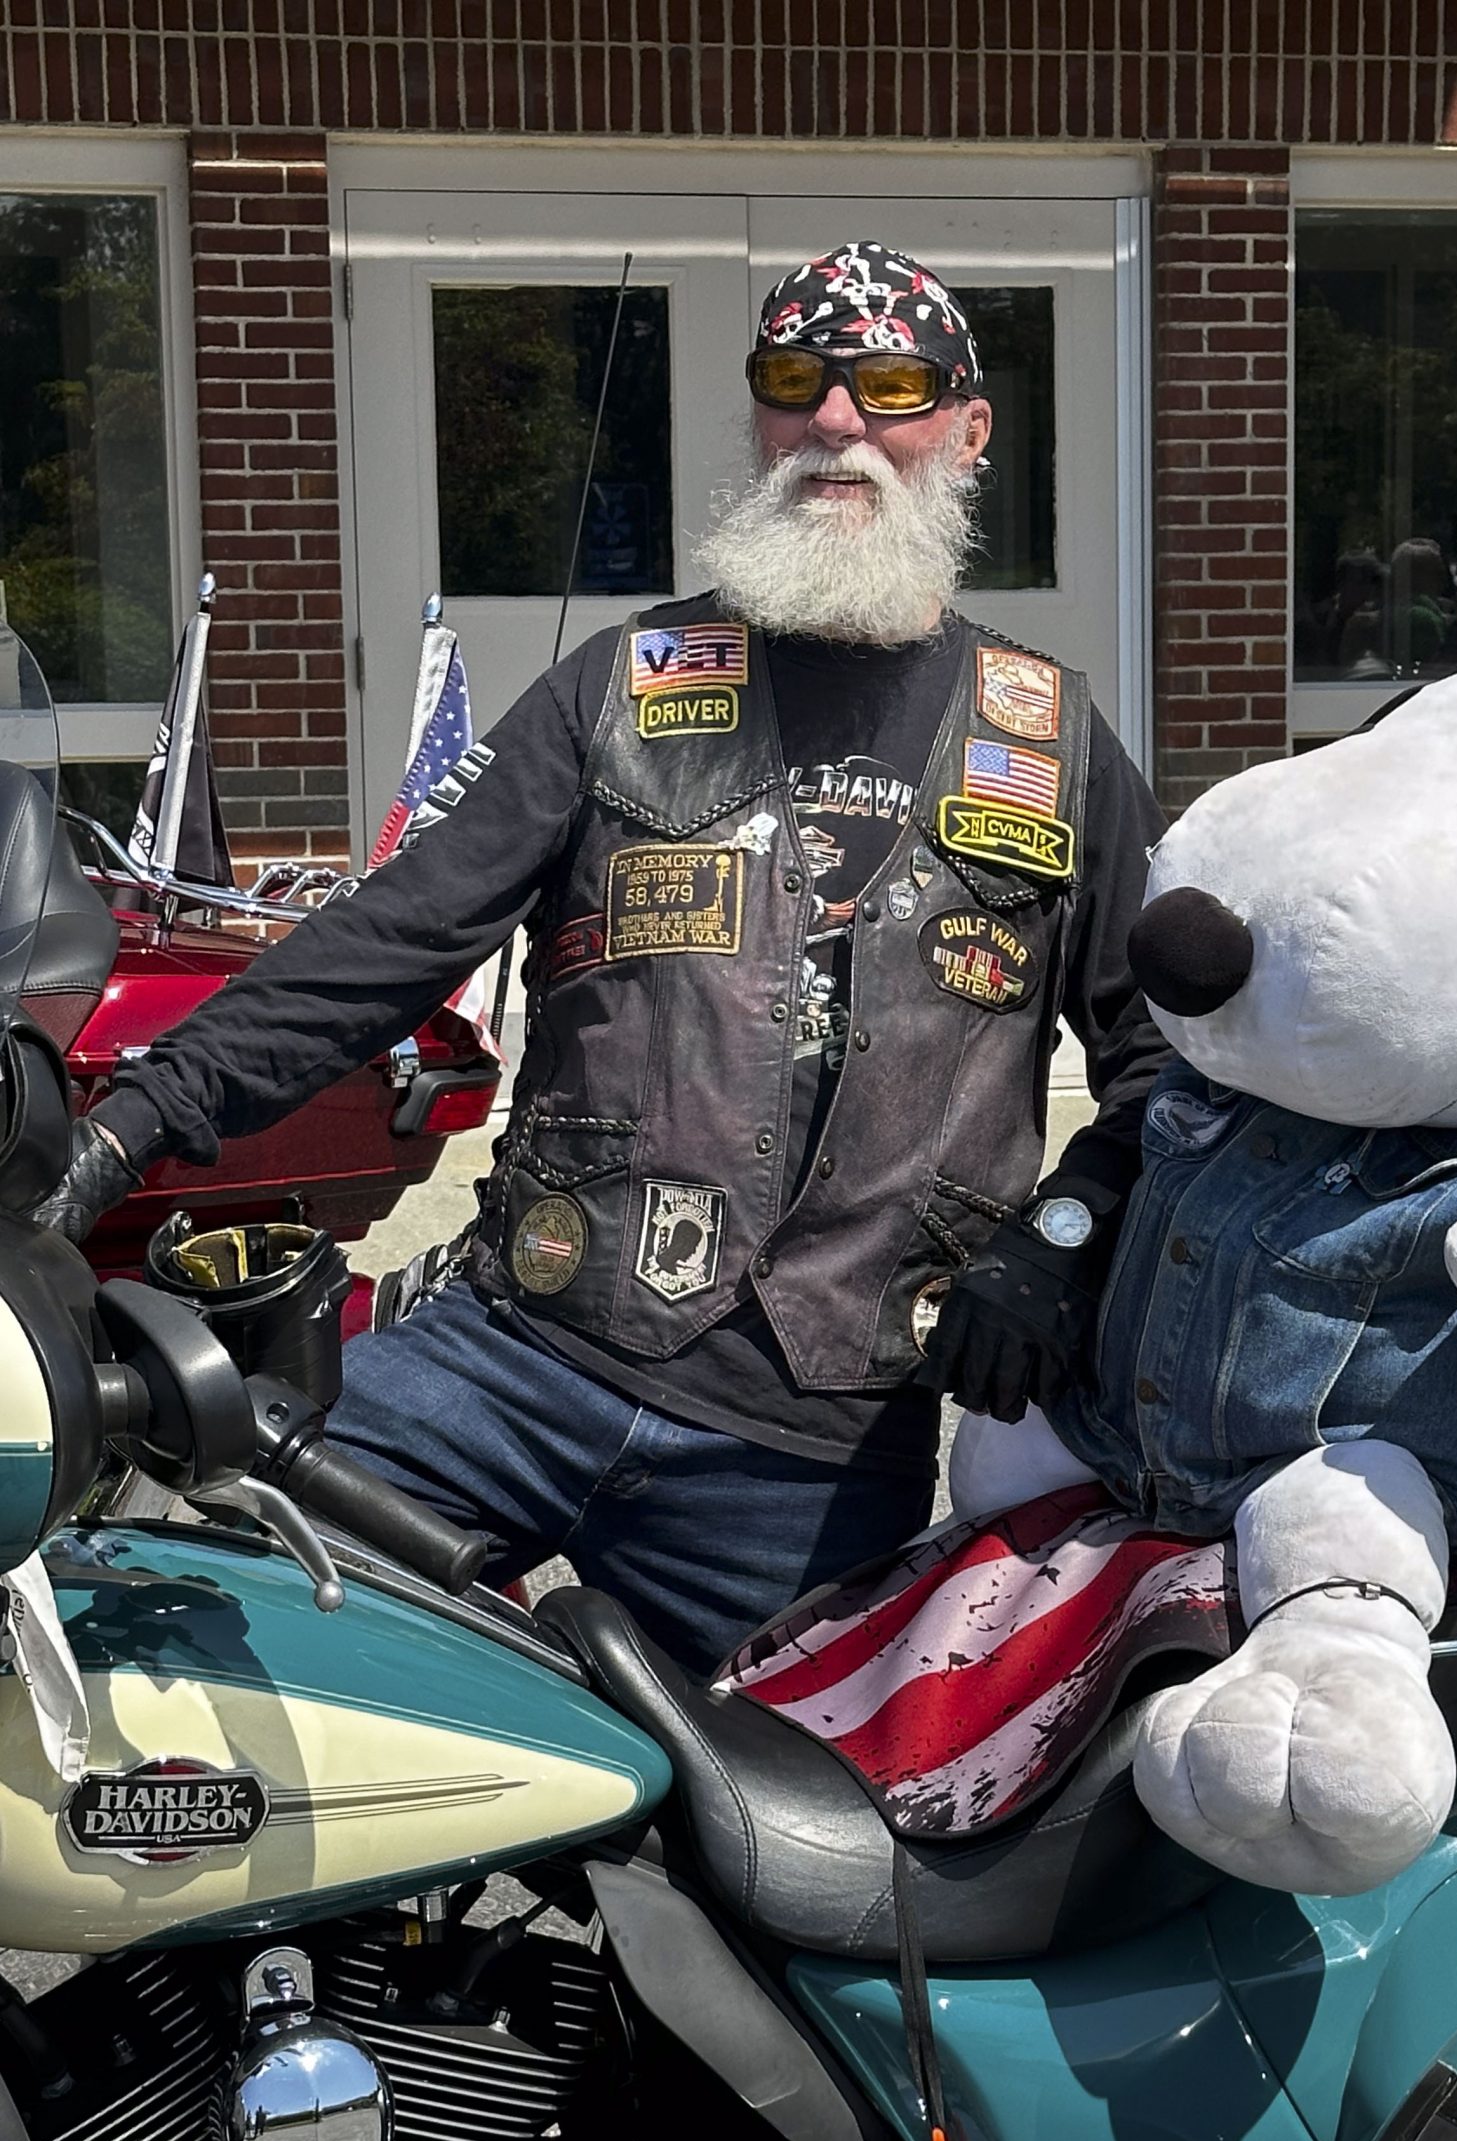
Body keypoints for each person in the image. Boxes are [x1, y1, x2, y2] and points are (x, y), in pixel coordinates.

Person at [41, 242, 1168, 1675]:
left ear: (966, 423)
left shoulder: (1053, 740)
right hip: (516, 1364)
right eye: (795, 382)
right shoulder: (622, 688)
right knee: (216, 1643)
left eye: (889, 385)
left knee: (779, 1867)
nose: (838, 423)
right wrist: (132, 1121)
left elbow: (1168, 1065)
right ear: (757, 415)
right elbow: (391, 940)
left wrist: (1065, 1238)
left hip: (812, 1454)